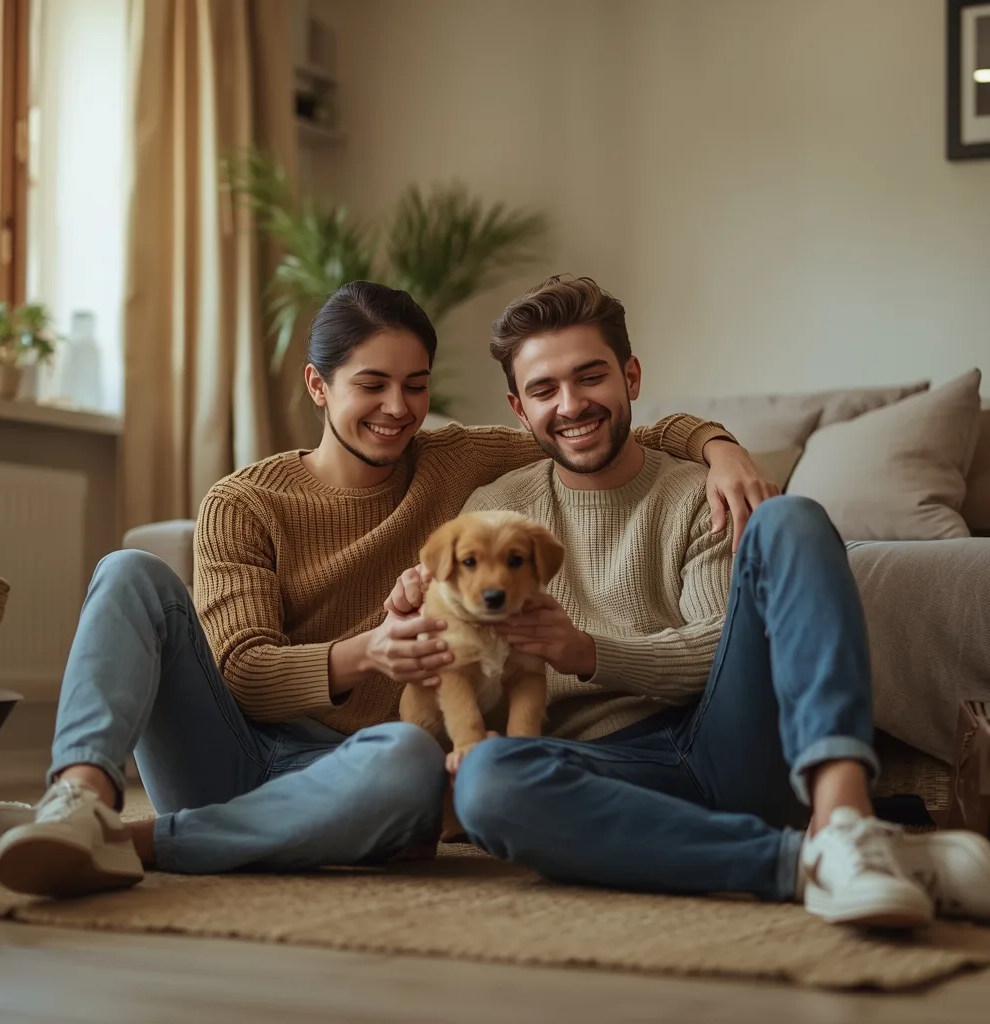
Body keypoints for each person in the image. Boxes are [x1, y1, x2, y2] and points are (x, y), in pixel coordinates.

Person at [0, 281, 775, 898]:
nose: (397, 410)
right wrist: (369, 653)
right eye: (371, 385)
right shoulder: (243, 502)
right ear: (320, 387)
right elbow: (241, 671)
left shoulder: (453, 459)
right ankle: (78, 802)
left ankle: (139, 843)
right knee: (129, 571)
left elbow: (581, 424)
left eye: (415, 385)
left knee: (409, 763)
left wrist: (716, 445)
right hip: (235, 752)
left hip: (363, 769)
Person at [388, 275, 990, 929]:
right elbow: (452, 639)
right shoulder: (495, 509)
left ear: (631, 378)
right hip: (601, 768)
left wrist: (589, 652)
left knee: (790, 518)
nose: (571, 404)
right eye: (544, 390)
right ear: (518, 407)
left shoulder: (698, 492)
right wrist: (410, 614)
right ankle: (805, 862)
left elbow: (714, 647)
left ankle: (844, 817)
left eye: (590, 377)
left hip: (721, 739)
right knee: (490, 785)